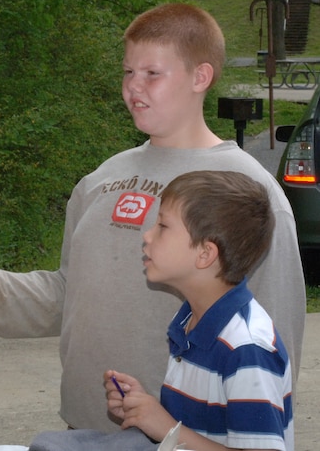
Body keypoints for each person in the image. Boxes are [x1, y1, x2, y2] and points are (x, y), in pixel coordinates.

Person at [0, 2, 306, 432]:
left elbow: (275, 344)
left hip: (185, 439)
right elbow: (67, 295)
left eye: (152, 74)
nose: (133, 87)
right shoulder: (103, 179)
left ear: (201, 77)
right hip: (82, 430)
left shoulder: (247, 190)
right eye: (127, 72)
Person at [30, 170, 293, 450]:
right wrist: (146, 410)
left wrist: (166, 427)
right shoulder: (190, 322)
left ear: (205, 254)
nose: (147, 235)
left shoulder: (247, 347)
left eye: (163, 226)